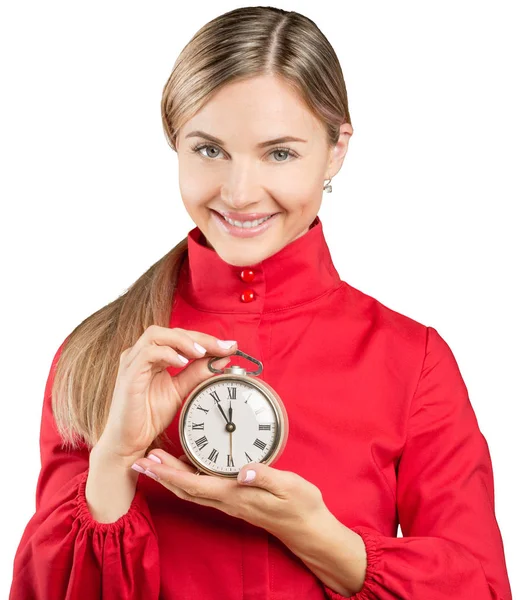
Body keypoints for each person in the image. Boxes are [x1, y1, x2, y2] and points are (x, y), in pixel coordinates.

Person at [9, 6, 512, 600]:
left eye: (279, 153)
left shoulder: (413, 360)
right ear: (175, 143)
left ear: (336, 151)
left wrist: (319, 536)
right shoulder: (99, 357)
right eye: (209, 150)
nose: (240, 194)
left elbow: (478, 587)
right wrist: (114, 460)